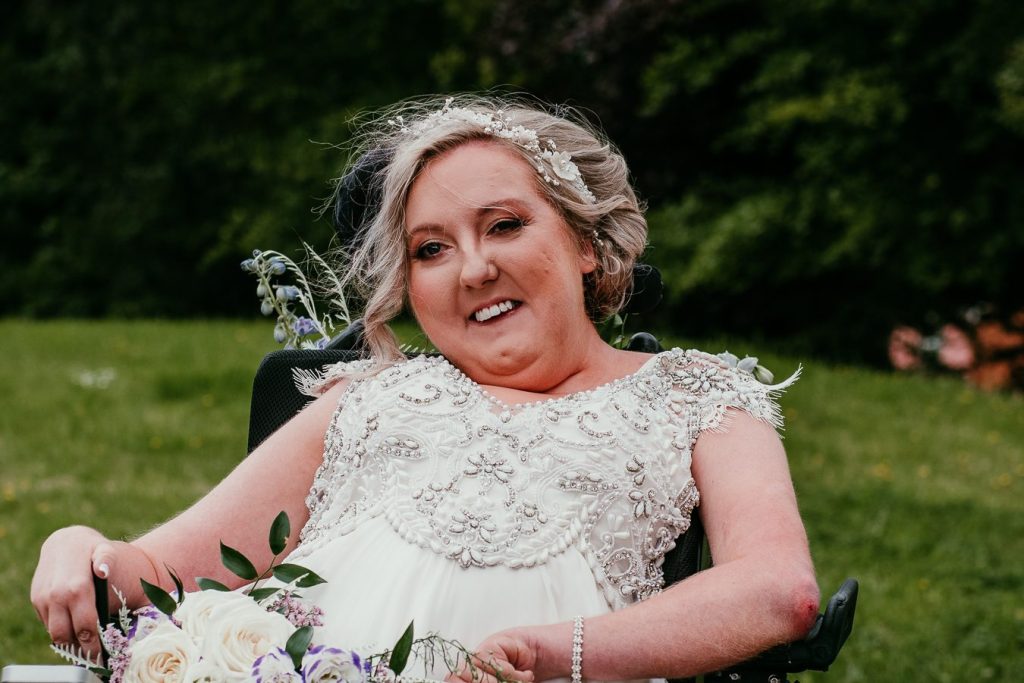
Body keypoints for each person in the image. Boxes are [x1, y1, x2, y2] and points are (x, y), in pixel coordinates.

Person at [31, 94, 819, 682]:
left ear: (585, 241)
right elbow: (164, 572)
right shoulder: (366, 402)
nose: (474, 269)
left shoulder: (697, 398)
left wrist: (555, 650)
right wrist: (79, 548)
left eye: (506, 225)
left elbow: (778, 590)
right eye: (432, 249)